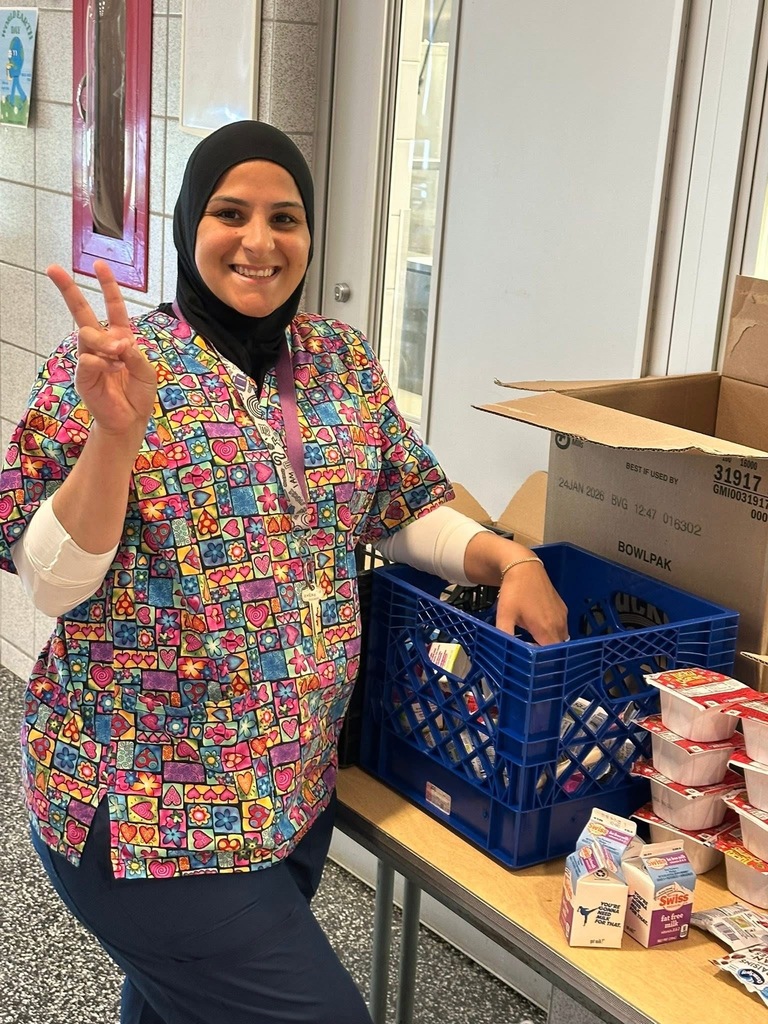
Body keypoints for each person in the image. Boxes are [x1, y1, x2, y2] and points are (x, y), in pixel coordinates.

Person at [0, 120, 567, 1024]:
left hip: (290, 794)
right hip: (146, 814)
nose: (259, 241)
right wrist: (115, 437)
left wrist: (511, 557)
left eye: (285, 217)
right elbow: (50, 582)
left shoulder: (340, 362)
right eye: (231, 212)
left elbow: (402, 504)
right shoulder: (120, 366)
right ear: (190, 223)